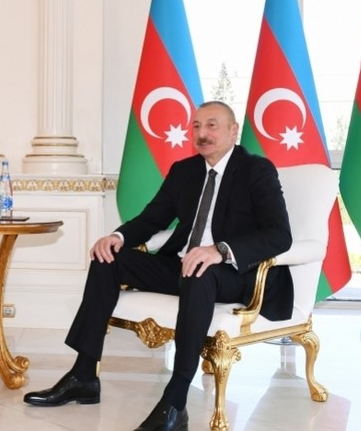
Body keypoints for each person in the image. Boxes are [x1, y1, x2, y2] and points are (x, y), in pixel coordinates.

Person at [23, 101, 293, 431]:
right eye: (196, 126)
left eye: (211, 125)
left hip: (234, 273)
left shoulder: (256, 170)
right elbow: (152, 219)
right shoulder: (185, 171)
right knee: (108, 259)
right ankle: (83, 376)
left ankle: (175, 402)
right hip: (183, 266)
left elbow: (279, 234)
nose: (202, 133)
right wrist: (117, 237)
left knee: (199, 270)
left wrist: (220, 250)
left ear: (233, 130)